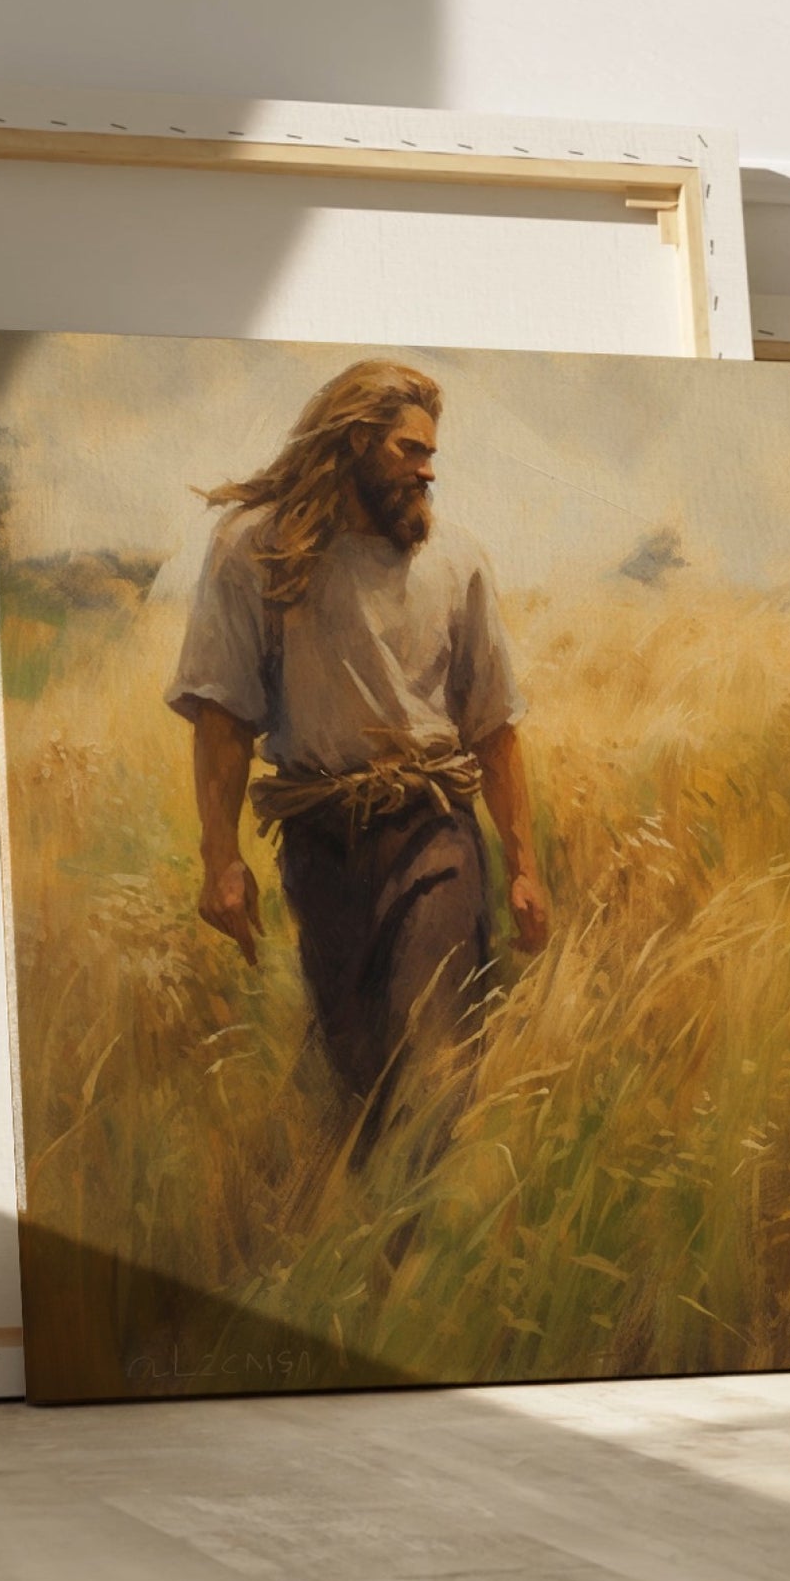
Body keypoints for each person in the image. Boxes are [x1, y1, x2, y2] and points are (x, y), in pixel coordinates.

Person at [166, 359, 549, 1147]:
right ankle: (380, 1248)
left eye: (431, 453)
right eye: (411, 450)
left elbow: (493, 730)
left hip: (434, 832)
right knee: (359, 1074)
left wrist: (522, 867)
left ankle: (425, 1248)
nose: (428, 469)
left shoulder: (457, 561)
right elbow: (223, 717)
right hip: (320, 841)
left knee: (436, 1054)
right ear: (355, 442)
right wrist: (220, 862)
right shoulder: (255, 552)